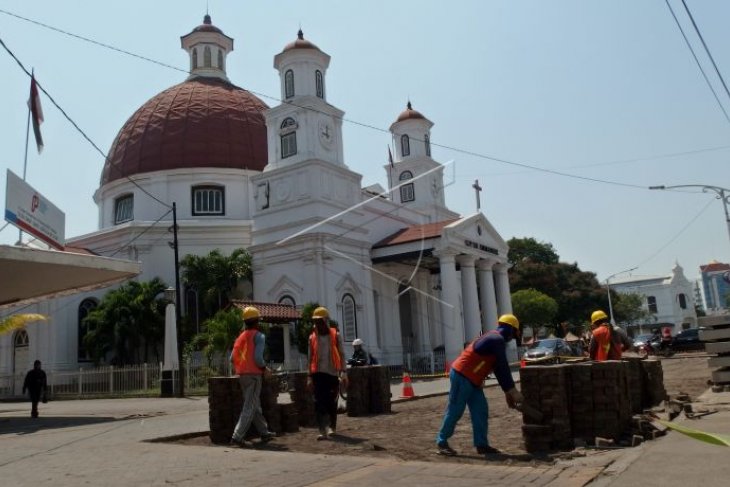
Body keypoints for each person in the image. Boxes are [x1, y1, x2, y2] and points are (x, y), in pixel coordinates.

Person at [436, 314, 524, 457]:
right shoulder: (496, 340)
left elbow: (497, 367)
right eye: (514, 333)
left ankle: (481, 445)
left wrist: (508, 392)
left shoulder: (494, 339)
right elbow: (502, 367)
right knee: (455, 409)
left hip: (473, 380)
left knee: (480, 410)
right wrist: (512, 391)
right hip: (462, 375)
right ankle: (442, 442)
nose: (512, 337)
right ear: (510, 329)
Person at [230, 306, 276, 447]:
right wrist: (265, 369)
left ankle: (264, 432)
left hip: (243, 375)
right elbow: (257, 358)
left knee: (254, 404)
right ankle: (237, 437)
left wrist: (242, 367)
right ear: (256, 321)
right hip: (254, 375)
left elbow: (232, 358)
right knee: (249, 406)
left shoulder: (240, 337)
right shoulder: (259, 336)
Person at [306, 306, 347, 440]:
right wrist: (309, 377)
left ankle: (332, 428)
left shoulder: (336, 336)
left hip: (332, 373)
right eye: (316, 322)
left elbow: (341, 354)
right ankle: (322, 430)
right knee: (319, 403)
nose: (318, 325)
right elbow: (310, 358)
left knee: (332, 402)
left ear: (326, 321)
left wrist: (344, 372)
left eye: (320, 321)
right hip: (317, 374)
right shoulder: (312, 338)